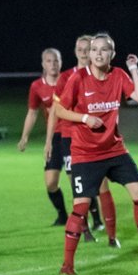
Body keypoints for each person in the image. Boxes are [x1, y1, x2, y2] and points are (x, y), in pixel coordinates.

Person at [51, 33, 138, 275]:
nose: (99, 53)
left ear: (112, 54)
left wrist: (133, 68)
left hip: (115, 150)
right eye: (95, 50)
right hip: (85, 154)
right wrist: (84, 118)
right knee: (80, 208)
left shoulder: (118, 75)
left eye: (104, 50)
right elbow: (59, 109)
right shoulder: (79, 78)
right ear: (90, 54)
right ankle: (67, 265)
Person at [46, 34, 111, 239]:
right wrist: (48, 141)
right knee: (77, 182)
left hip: (94, 137)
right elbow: (55, 111)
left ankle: (106, 226)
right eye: (80, 49)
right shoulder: (66, 78)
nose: (83, 53)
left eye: (87, 49)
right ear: (75, 52)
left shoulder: (102, 75)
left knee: (100, 184)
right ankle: (85, 229)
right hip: (70, 137)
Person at [17, 47, 68, 225]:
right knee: (51, 183)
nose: (53, 64)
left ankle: (95, 220)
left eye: (56, 60)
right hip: (53, 137)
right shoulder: (37, 86)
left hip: (72, 136)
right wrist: (24, 137)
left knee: (78, 180)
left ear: (61, 62)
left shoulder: (70, 80)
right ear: (43, 64)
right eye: (49, 61)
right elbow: (32, 113)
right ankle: (63, 216)